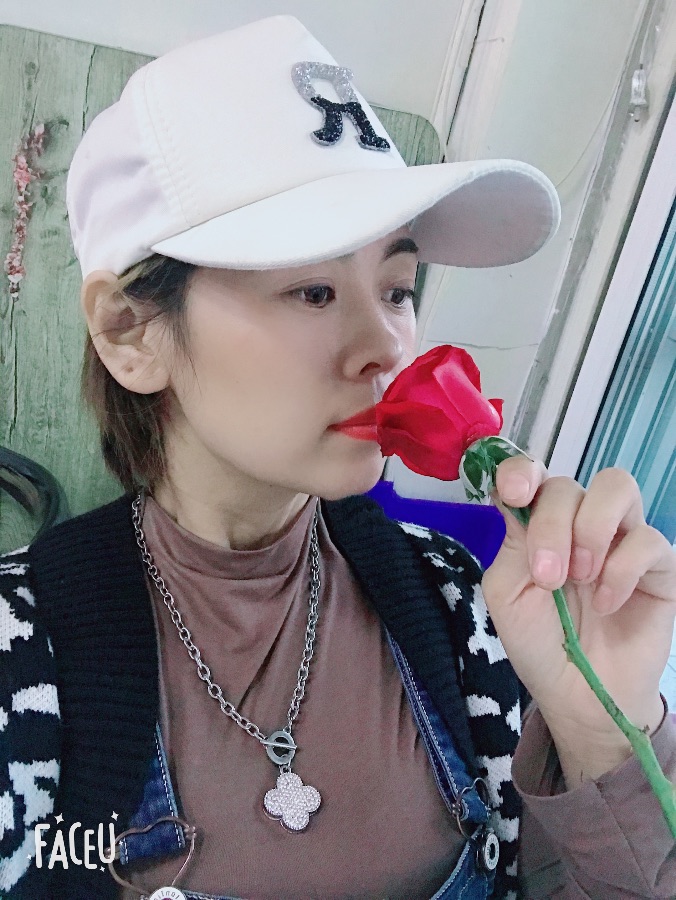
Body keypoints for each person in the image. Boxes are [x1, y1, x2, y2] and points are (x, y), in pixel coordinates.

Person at [0, 15, 674, 900]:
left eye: (397, 288)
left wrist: (602, 736)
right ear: (130, 332)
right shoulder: (20, 653)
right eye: (313, 289)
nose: (388, 348)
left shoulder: (464, 604)